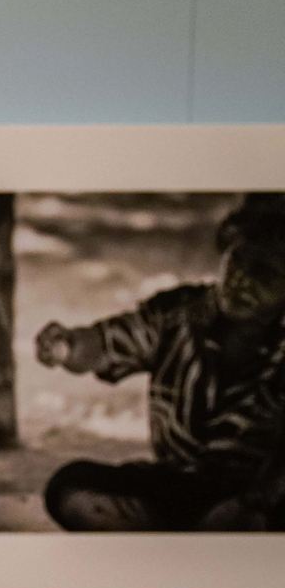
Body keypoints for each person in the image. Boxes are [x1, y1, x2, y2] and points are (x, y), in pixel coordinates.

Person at [36, 192, 285, 531]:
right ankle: (192, 537)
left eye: (264, 273)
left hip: (259, 494)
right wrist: (68, 346)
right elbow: (108, 343)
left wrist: (252, 503)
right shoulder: (176, 314)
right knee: (69, 487)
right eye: (236, 260)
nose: (240, 279)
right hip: (177, 483)